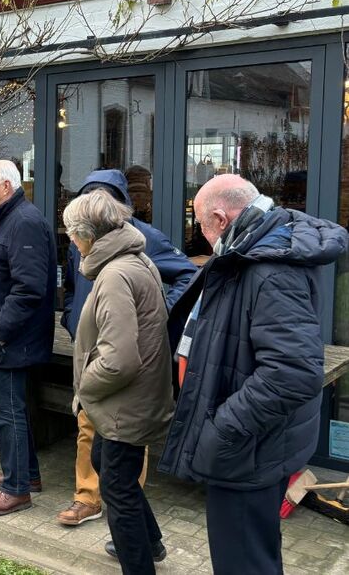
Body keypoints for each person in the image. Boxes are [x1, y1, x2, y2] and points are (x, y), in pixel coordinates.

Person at [159, 175, 348, 575]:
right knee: (253, 555)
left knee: (242, 561)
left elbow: (293, 372)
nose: (202, 237)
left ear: (220, 217)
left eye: (202, 226)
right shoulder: (253, 252)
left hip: (248, 450)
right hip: (253, 446)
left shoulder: (268, 267)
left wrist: (221, 429)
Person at [58, 169, 196, 527]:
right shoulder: (84, 237)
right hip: (92, 347)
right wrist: (71, 313)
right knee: (89, 433)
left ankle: (125, 515)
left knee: (123, 444)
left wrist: (162, 314)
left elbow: (187, 273)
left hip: (116, 364)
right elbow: (75, 281)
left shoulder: (142, 241)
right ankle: (89, 498)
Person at [65, 189, 174, 574]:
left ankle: (140, 562)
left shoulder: (115, 274)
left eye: (72, 236)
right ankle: (154, 543)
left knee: (118, 490)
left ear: (87, 235)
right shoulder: (135, 260)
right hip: (136, 398)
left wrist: (84, 389)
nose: (72, 244)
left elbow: (119, 359)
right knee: (106, 464)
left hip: (125, 405)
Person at [0, 160, 56, 516]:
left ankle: (16, 489)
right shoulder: (9, 219)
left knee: (8, 412)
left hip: (9, 340)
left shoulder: (24, 222)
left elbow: (29, 289)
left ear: (6, 186)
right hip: (1, 337)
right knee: (7, 409)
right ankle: (26, 475)